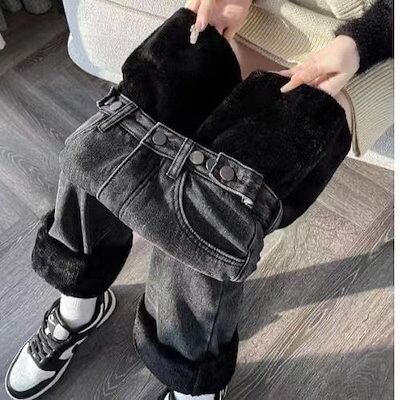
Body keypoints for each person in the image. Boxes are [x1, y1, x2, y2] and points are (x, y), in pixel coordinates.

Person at [5, 2, 393, 400]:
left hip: (365, 45)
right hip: (266, 12)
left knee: (211, 217)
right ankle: (79, 305)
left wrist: (363, 42)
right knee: (100, 149)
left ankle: (193, 382)